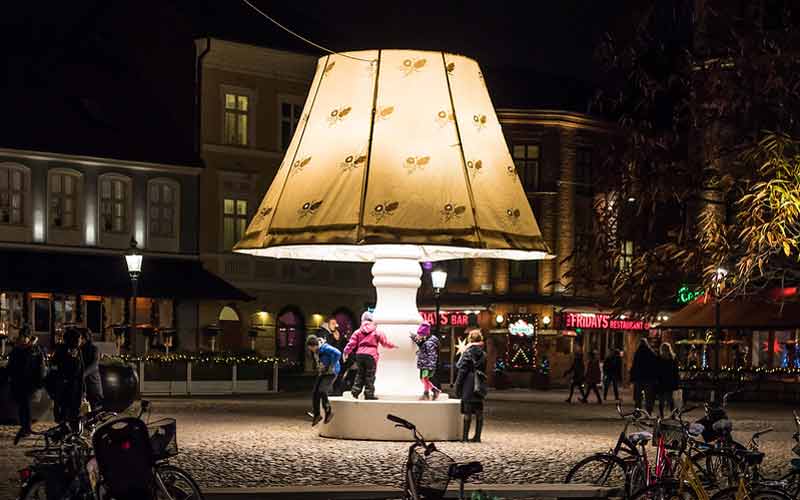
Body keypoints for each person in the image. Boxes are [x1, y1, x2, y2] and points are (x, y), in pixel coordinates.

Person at [344, 311, 397, 400]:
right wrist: (393, 345)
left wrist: (346, 352)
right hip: (371, 355)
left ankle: (355, 392)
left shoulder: (357, 332)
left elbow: (351, 343)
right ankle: (369, 394)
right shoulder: (376, 332)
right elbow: (385, 343)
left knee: (360, 373)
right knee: (370, 375)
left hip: (360, 354)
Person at [8, 327, 45, 445]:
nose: (22, 340)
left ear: (29, 338)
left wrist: (39, 381)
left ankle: (26, 428)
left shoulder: (35, 349)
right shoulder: (17, 349)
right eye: (21, 337)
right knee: (22, 405)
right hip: (18, 381)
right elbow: (12, 364)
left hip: (30, 382)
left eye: (24, 337)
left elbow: (40, 366)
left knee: (26, 405)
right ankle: (24, 426)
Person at [49, 327, 86, 429]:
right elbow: (54, 367)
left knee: (75, 414)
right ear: (73, 339)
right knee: (64, 414)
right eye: (79, 338)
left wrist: (83, 389)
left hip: (76, 388)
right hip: (63, 387)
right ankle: (63, 434)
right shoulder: (61, 350)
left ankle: (73, 436)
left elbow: (81, 371)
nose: (80, 340)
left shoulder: (78, 351)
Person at [455, 329, 487, 442]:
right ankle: (477, 437)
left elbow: (462, 371)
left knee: (467, 411)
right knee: (479, 411)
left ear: (470, 339)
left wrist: (457, 386)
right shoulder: (483, 354)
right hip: (480, 382)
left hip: (468, 383)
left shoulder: (467, 352)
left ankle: (464, 438)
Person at [305, 334, 341, 426]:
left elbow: (338, 353)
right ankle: (317, 415)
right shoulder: (316, 350)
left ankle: (328, 412)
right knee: (315, 392)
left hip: (331, 373)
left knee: (322, 390)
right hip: (323, 372)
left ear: (315, 345)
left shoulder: (325, 347)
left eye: (311, 348)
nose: (310, 350)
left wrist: (332, 365)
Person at [411, 321, 441, 400]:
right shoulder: (425, 341)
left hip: (427, 364)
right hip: (424, 363)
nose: (419, 336)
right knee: (423, 379)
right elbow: (421, 345)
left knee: (425, 378)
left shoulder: (429, 343)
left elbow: (431, 355)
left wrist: (430, 365)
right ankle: (434, 390)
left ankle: (426, 393)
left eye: (420, 334)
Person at [630, 338, 658, 413]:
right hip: (649, 378)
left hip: (639, 378)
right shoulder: (651, 352)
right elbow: (655, 365)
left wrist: (632, 377)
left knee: (638, 396)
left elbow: (634, 366)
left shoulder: (638, 353)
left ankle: (637, 411)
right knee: (649, 396)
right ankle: (649, 411)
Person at [80, 329, 103, 411]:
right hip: (82, 385)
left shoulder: (94, 349)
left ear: (86, 338)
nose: (80, 340)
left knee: (94, 410)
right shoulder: (79, 349)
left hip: (92, 383)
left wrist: (83, 374)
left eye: (81, 338)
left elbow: (94, 365)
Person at [656, 343, 680, 417]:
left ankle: (662, 414)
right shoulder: (673, 358)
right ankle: (672, 414)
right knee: (670, 399)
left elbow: (656, 370)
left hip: (661, 381)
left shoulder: (659, 358)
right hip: (670, 381)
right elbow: (676, 371)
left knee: (661, 400)